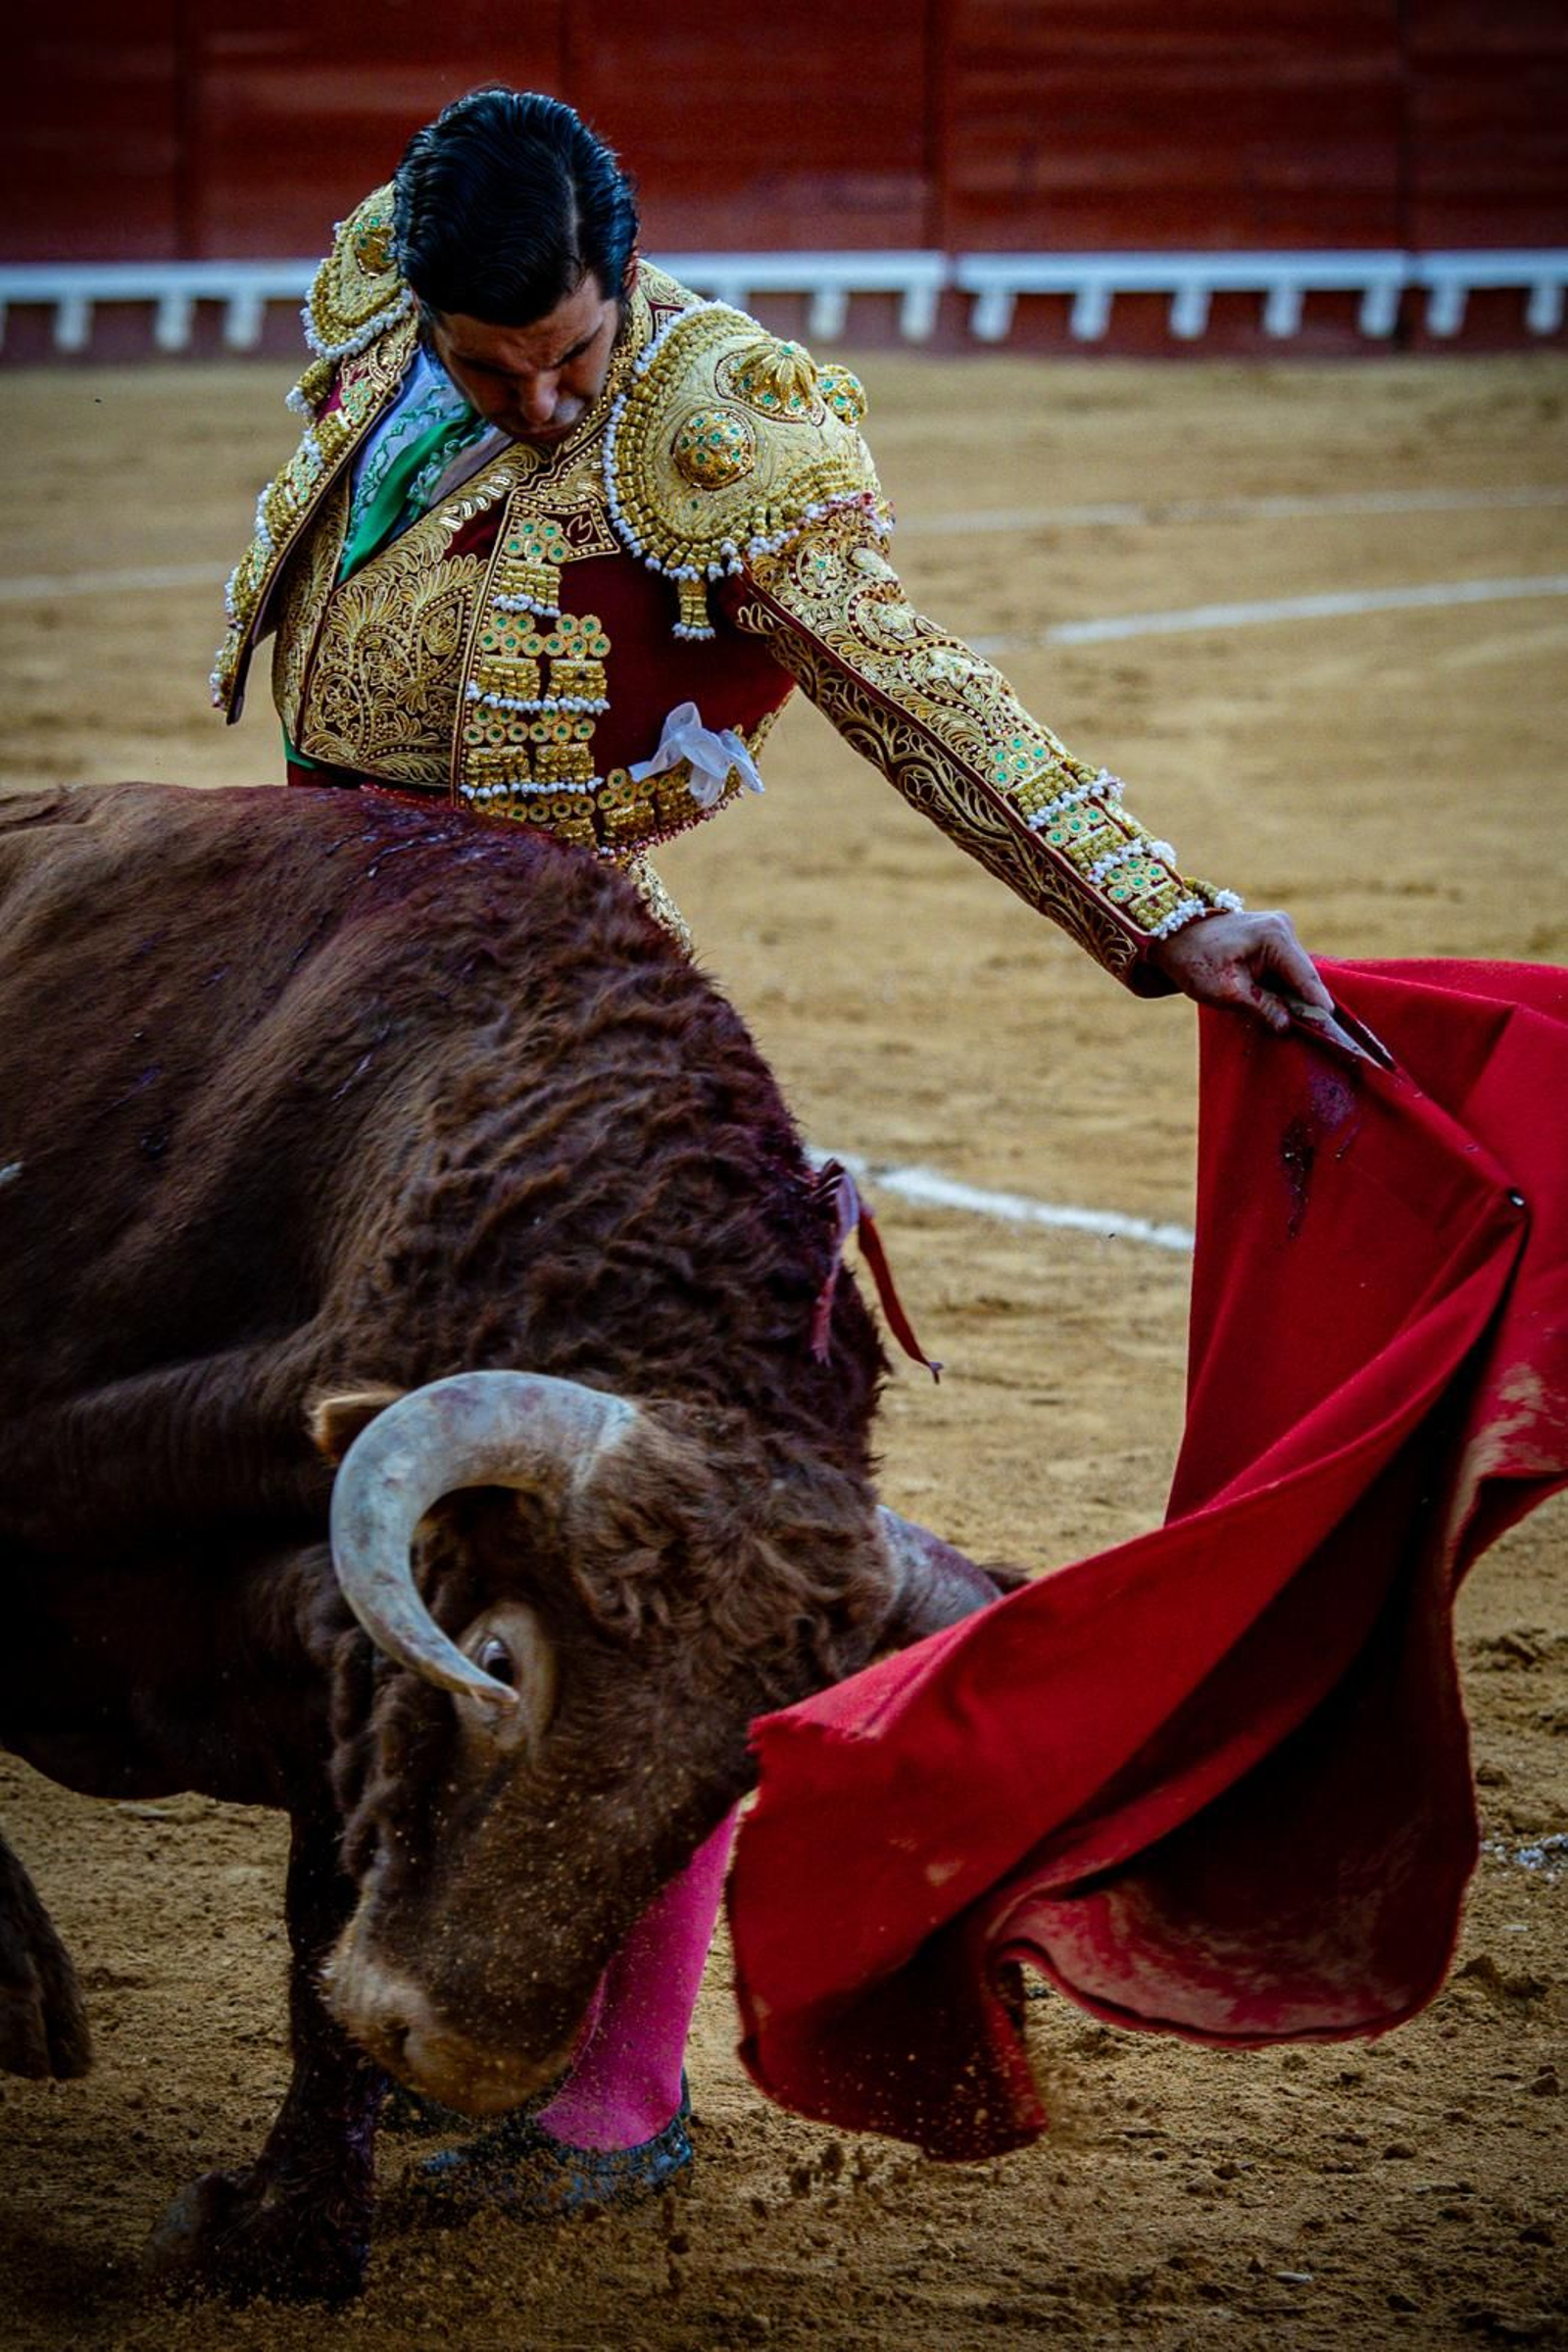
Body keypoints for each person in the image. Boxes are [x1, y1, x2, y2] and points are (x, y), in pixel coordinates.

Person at [213, 86, 1335, 2216]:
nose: (545, 404)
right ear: (420, 308)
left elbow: (919, 693)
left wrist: (1162, 912)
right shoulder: (389, 291)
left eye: (575, 355)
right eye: (493, 371)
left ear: (626, 278)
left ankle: (616, 2096)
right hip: (313, 976)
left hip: (546, 1021)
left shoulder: (717, 424)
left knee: (645, 1551)